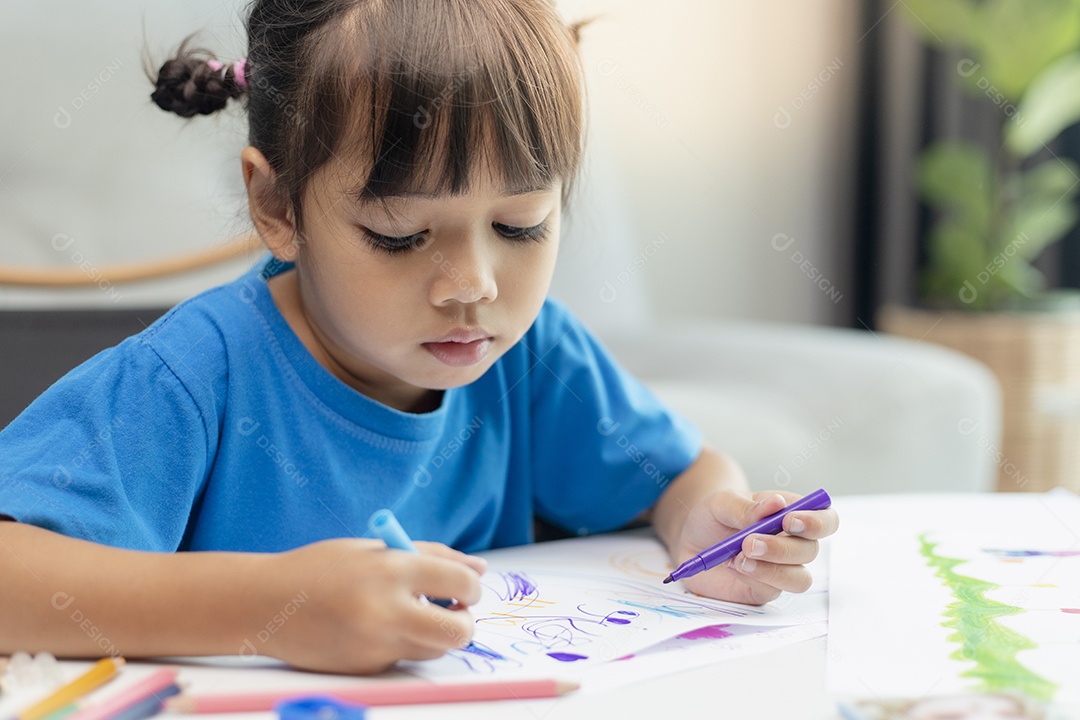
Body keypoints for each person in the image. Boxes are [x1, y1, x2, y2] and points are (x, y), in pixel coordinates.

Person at [0, 0, 839, 675]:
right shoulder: (192, 378)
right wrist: (271, 609)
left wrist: (708, 523)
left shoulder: (535, 357)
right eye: (400, 236)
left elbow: (680, 475)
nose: (472, 284)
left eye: (520, 225)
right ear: (279, 208)